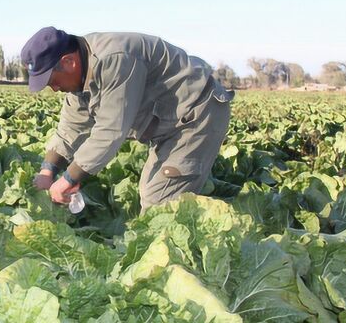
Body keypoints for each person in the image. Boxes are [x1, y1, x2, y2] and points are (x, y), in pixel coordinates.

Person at [21, 26, 234, 214]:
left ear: (68, 62)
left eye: (52, 81)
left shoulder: (114, 58)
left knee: (159, 202)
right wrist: (47, 171)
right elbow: (72, 125)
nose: (55, 89)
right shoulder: (82, 72)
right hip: (171, 123)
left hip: (197, 114)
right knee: (152, 191)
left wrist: (69, 179)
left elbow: (110, 131)